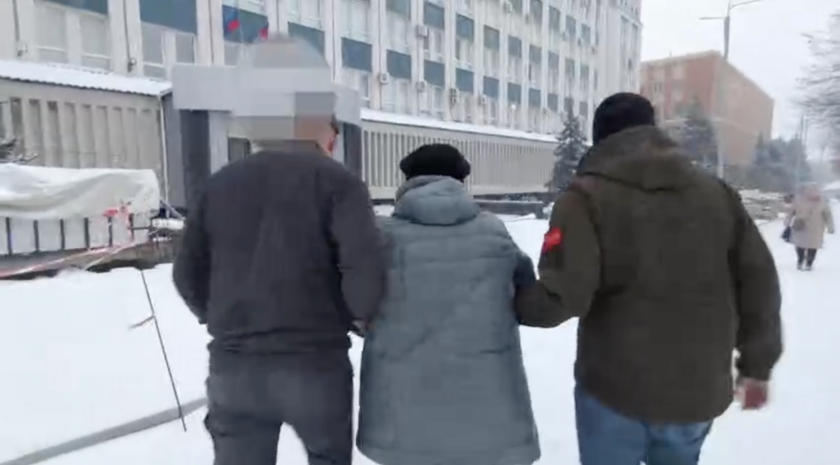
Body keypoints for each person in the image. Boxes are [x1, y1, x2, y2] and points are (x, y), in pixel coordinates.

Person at [515, 93, 783, 465]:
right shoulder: (716, 194)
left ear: (600, 137)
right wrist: (757, 366)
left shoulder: (584, 198)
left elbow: (564, 295)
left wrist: (512, 297)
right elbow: (758, 283)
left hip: (614, 390)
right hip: (696, 389)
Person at [172, 34, 386, 465]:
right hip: (315, 363)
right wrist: (359, 316)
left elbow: (186, 272)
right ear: (320, 126)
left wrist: (219, 317)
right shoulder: (339, 183)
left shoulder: (219, 184)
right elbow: (363, 267)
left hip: (234, 368)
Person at [356, 144, 541, 465]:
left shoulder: (380, 237)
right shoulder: (493, 231)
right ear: (461, 181)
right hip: (487, 409)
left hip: (401, 415)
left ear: (407, 181)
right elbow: (526, 294)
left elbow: (355, 303)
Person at [785, 182, 834, 270]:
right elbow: (828, 215)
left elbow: (791, 212)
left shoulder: (799, 200)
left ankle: (800, 261)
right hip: (816, 228)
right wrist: (830, 227)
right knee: (813, 246)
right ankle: (809, 264)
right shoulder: (822, 202)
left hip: (800, 226)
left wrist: (787, 221)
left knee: (800, 244)